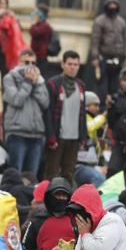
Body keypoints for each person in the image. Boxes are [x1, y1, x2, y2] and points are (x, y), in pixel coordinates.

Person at [2, 50, 48, 175]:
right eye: (26, 62)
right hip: (17, 134)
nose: (30, 65)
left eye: (33, 62)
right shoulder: (10, 78)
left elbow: (45, 102)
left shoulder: (39, 80)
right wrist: (27, 82)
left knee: (31, 176)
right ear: (19, 62)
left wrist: (37, 84)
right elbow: (17, 100)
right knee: (15, 173)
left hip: (36, 135)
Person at [45, 51, 87, 185]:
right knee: (51, 173)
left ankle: (66, 202)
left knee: (68, 174)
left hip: (74, 138)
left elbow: (82, 114)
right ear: (62, 64)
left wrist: (83, 136)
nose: (73, 67)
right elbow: (48, 113)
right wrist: (51, 137)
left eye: (76, 64)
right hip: (58, 137)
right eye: (69, 64)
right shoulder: (53, 84)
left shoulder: (81, 85)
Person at [90, 0, 126, 101]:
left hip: (118, 59)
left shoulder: (122, 22)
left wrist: (125, 59)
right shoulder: (99, 21)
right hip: (104, 58)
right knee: (102, 85)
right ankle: (102, 105)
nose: (112, 7)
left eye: (114, 4)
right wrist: (95, 57)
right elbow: (95, 40)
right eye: (110, 4)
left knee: (116, 86)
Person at [28, 4, 53, 73]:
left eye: (37, 13)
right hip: (35, 56)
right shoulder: (38, 25)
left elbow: (34, 32)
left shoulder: (45, 26)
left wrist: (33, 23)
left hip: (41, 58)